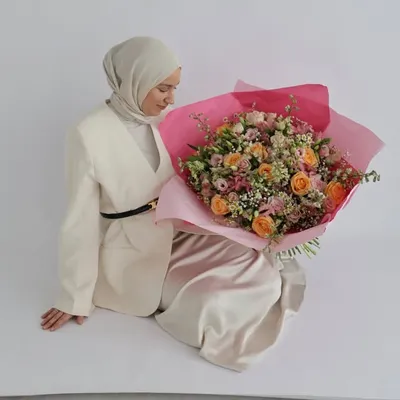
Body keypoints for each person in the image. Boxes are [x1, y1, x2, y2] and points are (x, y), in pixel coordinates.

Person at [40, 36, 306, 372]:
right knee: (213, 301)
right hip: (134, 249)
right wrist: (73, 297)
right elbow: (79, 222)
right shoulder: (87, 133)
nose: (171, 99)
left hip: (181, 231)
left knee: (254, 264)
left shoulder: (161, 118)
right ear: (135, 80)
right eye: (163, 88)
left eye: (174, 88)